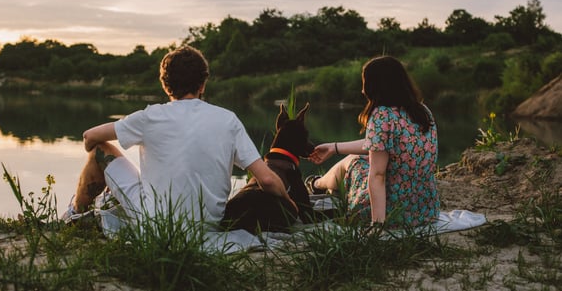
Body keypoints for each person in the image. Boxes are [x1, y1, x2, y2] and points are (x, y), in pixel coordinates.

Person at [63, 45, 294, 227]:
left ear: (166, 86)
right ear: (203, 84)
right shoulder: (228, 120)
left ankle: (74, 214)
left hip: (155, 224)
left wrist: (97, 161)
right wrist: (291, 204)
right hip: (209, 226)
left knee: (100, 151)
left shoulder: (150, 117)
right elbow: (267, 180)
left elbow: (89, 137)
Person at [307, 55, 439, 228]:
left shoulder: (382, 115)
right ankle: (317, 183)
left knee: (353, 161)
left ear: (375, 86)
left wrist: (378, 225)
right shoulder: (422, 111)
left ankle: (315, 184)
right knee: (357, 158)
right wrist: (334, 147)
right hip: (425, 210)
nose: (362, 90)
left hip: (392, 212)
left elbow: (378, 175)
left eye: (365, 83)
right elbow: (380, 145)